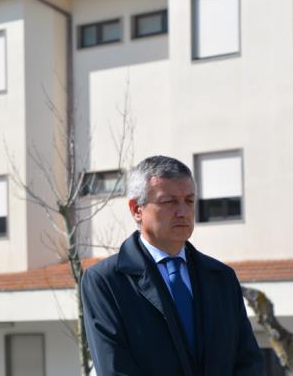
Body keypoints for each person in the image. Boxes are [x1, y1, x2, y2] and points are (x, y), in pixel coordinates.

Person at [81, 155, 263, 376]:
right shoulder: (105, 282)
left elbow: (248, 362)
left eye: (189, 200)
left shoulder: (222, 277)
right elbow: (115, 369)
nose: (183, 212)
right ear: (136, 209)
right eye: (169, 202)